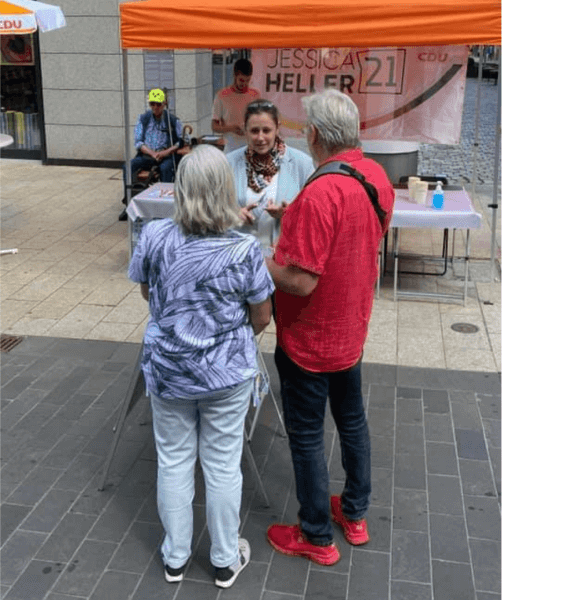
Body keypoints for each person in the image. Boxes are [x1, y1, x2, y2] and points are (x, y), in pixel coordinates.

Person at [127, 145, 273, 590]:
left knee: (172, 460)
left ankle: (175, 558)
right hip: (225, 373)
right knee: (223, 464)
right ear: (225, 190)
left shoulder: (153, 235)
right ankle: (226, 560)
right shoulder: (244, 248)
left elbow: (148, 294)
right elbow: (262, 315)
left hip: (170, 369)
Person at [264, 88, 394, 566]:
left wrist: (259, 260)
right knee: (353, 421)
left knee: (306, 435)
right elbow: (354, 240)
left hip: (309, 340)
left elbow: (299, 280)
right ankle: (355, 514)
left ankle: (316, 534)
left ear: (314, 134)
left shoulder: (320, 191)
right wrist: (292, 219)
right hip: (351, 329)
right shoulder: (376, 176)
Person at [226, 99, 315, 253]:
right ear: (244, 130)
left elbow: (314, 215)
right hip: (239, 257)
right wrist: (232, 214)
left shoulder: (302, 164)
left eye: (266, 130)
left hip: (282, 261)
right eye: (254, 131)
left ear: (277, 129)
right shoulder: (228, 163)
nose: (260, 138)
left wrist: (288, 213)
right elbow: (211, 208)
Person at [123, 88, 185, 220]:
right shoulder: (143, 119)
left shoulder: (173, 120)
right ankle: (128, 202)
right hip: (147, 154)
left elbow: (181, 142)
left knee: (166, 168)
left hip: (167, 155)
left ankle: (167, 206)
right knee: (128, 166)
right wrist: (152, 153)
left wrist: (165, 152)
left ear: (165, 104)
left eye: (158, 104)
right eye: (153, 104)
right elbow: (138, 142)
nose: (156, 107)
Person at [212, 58, 261, 154]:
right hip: (230, 147)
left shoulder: (255, 94)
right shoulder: (221, 95)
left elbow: (260, 118)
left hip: (252, 146)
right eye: (241, 80)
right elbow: (215, 126)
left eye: (248, 80)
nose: (245, 84)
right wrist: (231, 128)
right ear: (235, 75)